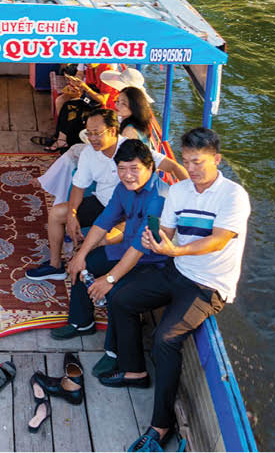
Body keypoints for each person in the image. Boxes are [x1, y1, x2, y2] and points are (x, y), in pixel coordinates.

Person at [104, 128, 251, 453]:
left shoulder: (233, 196)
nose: (192, 169)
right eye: (186, 161)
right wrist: (153, 239)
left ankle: (161, 424)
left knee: (165, 339)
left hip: (208, 285)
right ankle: (134, 370)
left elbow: (218, 239)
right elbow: (166, 229)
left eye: (198, 162)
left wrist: (176, 251)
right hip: (177, 271)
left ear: (217, 159)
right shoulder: (181, 190)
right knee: (119, 297)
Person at [25, 108, 187, 282]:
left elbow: (174, 167)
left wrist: (189, 196)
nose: (92, 138)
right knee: (57, 213)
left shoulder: (131, 150)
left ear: (112, 131)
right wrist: (72, 215)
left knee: (103, 241)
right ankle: (56, 266)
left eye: (97, 133)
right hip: (103, 204)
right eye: (89, 133)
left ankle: (107, 276)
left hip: (129, 213)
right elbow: (79, 187)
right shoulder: (89, 153)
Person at [52, 140, 170, 376]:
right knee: (87, 261)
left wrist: (110, 278)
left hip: (151, 262)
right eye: (122, 169)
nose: (127, 176)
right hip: (126, 248)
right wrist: (81, 253)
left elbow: (140, 248)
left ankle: (113, 353)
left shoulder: (159, 197)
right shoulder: (123, 188)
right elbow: (104, 221)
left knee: (117, 294)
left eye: (134, 169)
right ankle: (81, 321)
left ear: (150, 167)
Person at [36, 83, 158, 208]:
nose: (117, 105)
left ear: (134, 106)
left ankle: (58, 190)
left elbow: (119, 155)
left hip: (116, 167)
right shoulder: (134, 122)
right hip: (114, 158)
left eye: (123, 103)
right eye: (118, 101)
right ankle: (55, 186)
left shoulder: (129, 132)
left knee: (72, 155)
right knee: (73, 152)